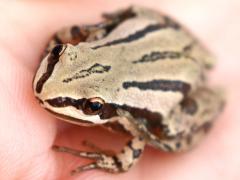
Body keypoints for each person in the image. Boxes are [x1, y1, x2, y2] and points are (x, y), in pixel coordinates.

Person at [0, 1, 239, 179]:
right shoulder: (84, 40)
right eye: (57, 54)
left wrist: (114, 161)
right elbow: (64, 36)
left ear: (104, 107)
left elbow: (138, 138)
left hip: (182, 81)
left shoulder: (126, 116)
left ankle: (206, 102)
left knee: (170, 132)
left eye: (91, 105)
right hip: (163, 40)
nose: (47, 85)